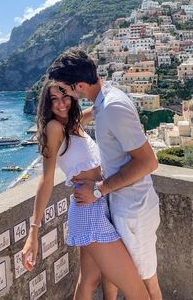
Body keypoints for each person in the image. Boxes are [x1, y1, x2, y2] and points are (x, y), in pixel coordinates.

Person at [48, 48, 162, 300]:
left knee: (145, 286)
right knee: (115, 281)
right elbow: (83, 119)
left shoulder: (112, 107)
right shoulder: (104, 101)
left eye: (67, 91)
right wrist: (57, 124)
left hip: (134, 209)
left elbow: (148, 162)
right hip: (122, 205)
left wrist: (99, 189)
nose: (67, 97)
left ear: (79, 85)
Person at [22, 79, 150, 300]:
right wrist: (33, 232)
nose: (61, 104)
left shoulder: (74, 123)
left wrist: (100, 83)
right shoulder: (54, 128)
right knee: (137, 291)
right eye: (54, 99)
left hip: (97, 201)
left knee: (89, 281)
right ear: (47, 104)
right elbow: (46, 178)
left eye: (65, 96)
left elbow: (100, 106)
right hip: (88, 211)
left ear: (72, 96)